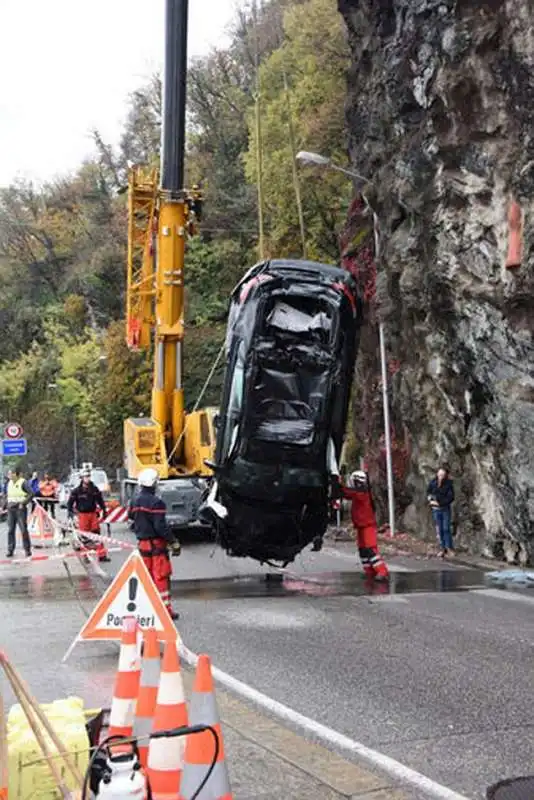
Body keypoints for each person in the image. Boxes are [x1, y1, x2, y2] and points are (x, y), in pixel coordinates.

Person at [128, 468, 180, 620]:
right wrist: (173, 540)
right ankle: (164, 610)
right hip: (156, 545)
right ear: (154, 484)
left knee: (146, 577)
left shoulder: (135, 500)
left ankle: (148, 608)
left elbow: (130, 516)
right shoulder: (157, 502)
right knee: (161, 577)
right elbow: (160, 527)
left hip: (142, 545)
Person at [341, 470, 389, 580]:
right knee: (363, 550)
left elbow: (347, 492)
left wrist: (338, 484)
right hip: (361, 526)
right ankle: (370, 572)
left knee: (370, 550)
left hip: (367, 526)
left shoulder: (362, 493)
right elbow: (348, 494)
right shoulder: (361, 493)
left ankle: (382, 571)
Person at [67, 467, 109, 562]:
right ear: (81, 478)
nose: (87, 478)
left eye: (89, 476)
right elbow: (70, 503)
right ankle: (85, 556)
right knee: (84, 536)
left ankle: (102, 555)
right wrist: (70, 514)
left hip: (93, 514)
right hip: (82, 515)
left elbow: (100, 500)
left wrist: (104, 510)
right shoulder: (77, 491)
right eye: (85, 477)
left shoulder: (94, 489)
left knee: (97, 534)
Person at [427, 466, 455, 557]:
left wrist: (440, 502)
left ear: (445, 476)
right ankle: (442, 548)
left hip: (444, 508)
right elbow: (429, 492)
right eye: (439, 474)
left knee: (446, 528)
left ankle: (449, 548)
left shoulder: (448, 484)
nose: (440, 477)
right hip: (436, 509)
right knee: (440, 530)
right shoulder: (433, 483)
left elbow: (450, 497)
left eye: (442, 475)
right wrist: (430, 499)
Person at [6, 468, 33, 558]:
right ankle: (10, 550)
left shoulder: (23, 482)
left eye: (10, 474)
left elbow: (31, 494)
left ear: (15, 474)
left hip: (20, 509)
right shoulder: (9, 483)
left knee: (23, 530)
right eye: (8, 474)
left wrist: (23, 503)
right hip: (10, 509)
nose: (9, 475)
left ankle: (27, 550)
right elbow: (7, 496)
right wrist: (3, 506)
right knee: (10, 530)